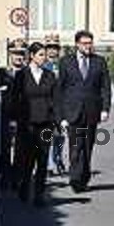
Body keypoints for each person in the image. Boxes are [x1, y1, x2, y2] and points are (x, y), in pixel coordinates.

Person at [56, 30, 111, 193]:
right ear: (77, 44)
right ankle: (75, 178)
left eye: (90, 43)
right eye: (85, 43)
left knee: (87, 147)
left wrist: (105, 109)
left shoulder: (99, 62)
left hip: (92, 112)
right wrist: (61, 116)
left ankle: (84, 177)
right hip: (73, 112)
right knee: (75, 146)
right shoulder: (66, 62)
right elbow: (60, 89)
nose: (88, 46)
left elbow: (105, 87)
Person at [10, 42, 57, 206]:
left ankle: (39, 195)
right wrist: (14, 120)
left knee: (43, 160)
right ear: (32, 55)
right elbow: (15, 98)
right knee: (28, 159)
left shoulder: (50, 75)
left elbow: (55, 99)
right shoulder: (22, 75)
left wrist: (56, 121)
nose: (44, 58)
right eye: (40, 55)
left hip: (46, 124)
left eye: (44, 55)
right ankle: (24, 186)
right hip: (27, 124)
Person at [0, 39, 27, 188]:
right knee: (4, 149)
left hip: (24, 117)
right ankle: (5, 176)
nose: (18, 57)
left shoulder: (28, 73)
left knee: (21, 149)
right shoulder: (2, 72)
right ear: (10, 55)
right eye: (15, 54)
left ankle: (17, 178)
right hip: (5, 116)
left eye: (21, 54)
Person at [43, 33, 66, 176]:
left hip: (61, 107)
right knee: (48, 137)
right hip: (46, 107)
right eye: (49, 47)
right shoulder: (42, 65)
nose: (52, 50)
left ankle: (57, 159)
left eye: (55, 47)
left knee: (60, 136)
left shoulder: (63, 65)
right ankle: (49, 165)